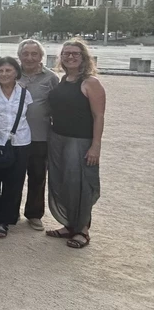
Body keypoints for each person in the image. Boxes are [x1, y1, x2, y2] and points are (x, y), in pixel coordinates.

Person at [46, 40, 105, 249]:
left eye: (75, 54)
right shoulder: (64, 80)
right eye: (66, 53)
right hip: (57, 138)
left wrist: (95, 145)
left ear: (84, 57)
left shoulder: (91, 83)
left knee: (80, 184)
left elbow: (98, 116)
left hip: (79, 141)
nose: (70, 57)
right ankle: (70, 224)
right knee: (61, 182)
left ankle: (82, 230)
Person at [0, 57, 32, 239]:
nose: (4, 74)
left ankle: (5, 221)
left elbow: (28, 116)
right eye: (0, 70)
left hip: (19, 142)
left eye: (8, 71)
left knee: (14, 183)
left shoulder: (24, 93)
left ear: (16, 72)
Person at [18, 39, 59, 231]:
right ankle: (9, 211)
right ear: (19, 56)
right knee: (13, 176)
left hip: (39, 136)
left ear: (41, 57)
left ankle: (34, 214)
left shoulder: (51, 78)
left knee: (37, 176)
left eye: (34, 54)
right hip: (15, 136)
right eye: (25, 54)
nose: (29, 58)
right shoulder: (12, 73)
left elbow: (57, 108)